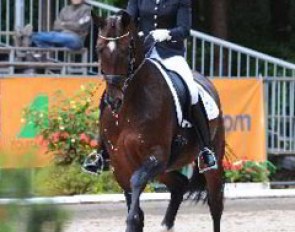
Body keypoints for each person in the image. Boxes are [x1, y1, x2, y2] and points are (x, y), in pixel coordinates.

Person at [83, 0, 218, 174]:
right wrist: (116, 21)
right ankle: (101, 153)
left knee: (192, 92)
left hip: (171, 55)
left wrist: (167, 34)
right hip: (143, 53)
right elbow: (128, 18)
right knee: (110, 92)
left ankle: (205, 150)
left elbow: (184, 30)